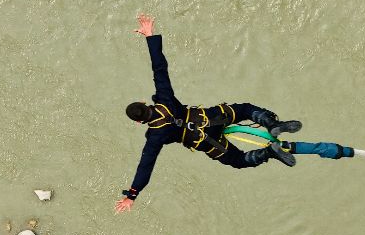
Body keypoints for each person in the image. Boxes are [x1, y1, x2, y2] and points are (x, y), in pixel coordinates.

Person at [116, 14, 302, 213]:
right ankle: (271, 124)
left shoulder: (154, 136)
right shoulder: (164, 98)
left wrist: (132, 195)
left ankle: (269, 152)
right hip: (214, 118)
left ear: (139, 122)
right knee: (246, 109)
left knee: (238, 160)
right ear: (145, 103)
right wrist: (150, 35)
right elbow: (159, 68)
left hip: (207, 142)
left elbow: (146, 165)